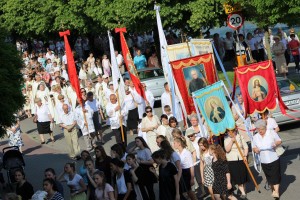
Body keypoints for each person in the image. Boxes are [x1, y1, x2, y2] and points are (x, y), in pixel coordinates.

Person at [253, 120, 282, 199]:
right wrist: (256, 150)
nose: (260, 131)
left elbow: (279, 141)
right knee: (269, 176)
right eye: (258, 129)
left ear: (265, 128)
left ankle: (276, 192)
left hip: (273, 158)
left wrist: (275, 144)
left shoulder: (271, 132)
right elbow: (254, 147)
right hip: (263, 160)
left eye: (261, 129)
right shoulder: (255, 137)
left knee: (275, 175)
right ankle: (273, 189)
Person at [224, 129, 248, 199]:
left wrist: (245, 155)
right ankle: (243, 192)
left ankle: (243, 189)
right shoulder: (226, 139)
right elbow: (227, 150)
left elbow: (245, 147)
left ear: (235, 131)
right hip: (232, 159)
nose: (229, 133)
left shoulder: (240, 136)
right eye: (228, 132)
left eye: (231, 131)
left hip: (241, 157)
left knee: (243, 175)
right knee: (237, 176)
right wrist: (231, 141)